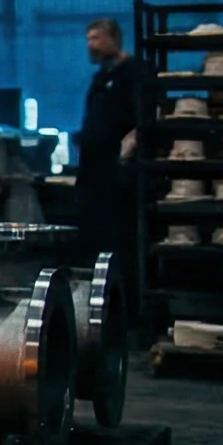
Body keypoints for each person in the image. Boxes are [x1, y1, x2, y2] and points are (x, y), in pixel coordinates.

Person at [75, 17, 156, 280]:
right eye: (88, 39)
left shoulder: (135, 72)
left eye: (96, 38)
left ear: (114, 38)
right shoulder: (101, 78)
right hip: (94, 173)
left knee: (120, 236)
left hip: (120, 173)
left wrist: (129, 147)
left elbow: (145, 114)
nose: (90, 45)